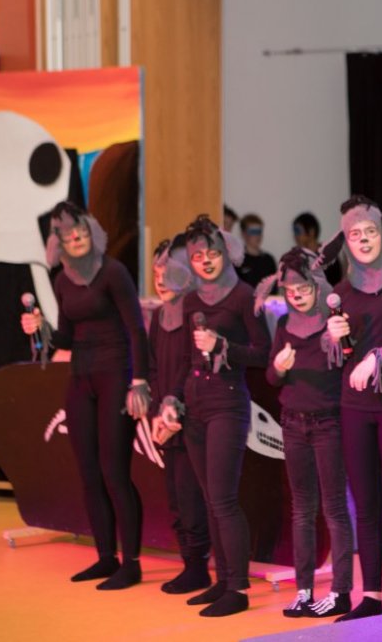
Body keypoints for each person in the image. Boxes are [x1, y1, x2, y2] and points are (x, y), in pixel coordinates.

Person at [20, 201, 149, 590]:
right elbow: (66, 338)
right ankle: (106, 557)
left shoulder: (113, 272)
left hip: (116, 376)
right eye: (68, 235)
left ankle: (131, 563)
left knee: (114, 472)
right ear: (58, 242)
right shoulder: (63, 281)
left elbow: (136, 330)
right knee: (89, 473)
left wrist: (139, 382)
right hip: (81, 379)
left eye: (81, 232)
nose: (76, 238)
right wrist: (40, 327)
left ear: (91, 233)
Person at [319, 195, 382, 621]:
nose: (363, 240)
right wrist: (332, 337)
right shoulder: (341, 292)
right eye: (354, 234)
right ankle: (372, 596)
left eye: (369, 232)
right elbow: (337, 355)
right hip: (354, 409)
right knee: (365, 506)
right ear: (345, 241)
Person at [163, 214, 272, 617]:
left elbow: (263, 353)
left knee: (224, 500)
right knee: (210, 500)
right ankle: (223, 580)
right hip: (195, 404)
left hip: (228, 402)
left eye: (211, 253)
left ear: (225, 252)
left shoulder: (244, 296)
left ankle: (238, 589)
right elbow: (187, 359)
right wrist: (172, 398)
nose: (205, 261)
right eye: (197, 256)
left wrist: (223, 346)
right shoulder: (191, 299)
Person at [256, 247, 354, 619]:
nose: (296, 296)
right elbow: (270, 377)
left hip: (328, 422)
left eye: (303, 289)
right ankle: (304, 591)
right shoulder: (284, 324)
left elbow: (347, 362)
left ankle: (341, 592)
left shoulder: (333, 321)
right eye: (290, 290)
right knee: (301, 509)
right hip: (292, 423)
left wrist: (339, 340)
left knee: (334, 509)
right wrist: (280, 368)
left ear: (316, 286)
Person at [147, 234, 212, 595]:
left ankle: (199, 567)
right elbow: (153, 367)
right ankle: (189, 563)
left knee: (191, 498)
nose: (160, 280)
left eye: (167, 272)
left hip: (191, 416)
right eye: (156, 273)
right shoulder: (159, 316)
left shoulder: (194, 312)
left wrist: (175, 409)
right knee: (175, 497)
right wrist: (158, 411)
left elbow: (193, 365)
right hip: (166, 419)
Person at [293, 212, 341, 284]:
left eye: (298, 231)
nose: (295, 236)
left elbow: (335, 283)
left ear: (311, 232)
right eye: (295, 232)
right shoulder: (297, 258)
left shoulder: (329, 255)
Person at [237, 213, 277, 287]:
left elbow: (274, 288)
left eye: (259, 231)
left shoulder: (269, 260)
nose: (257, 236)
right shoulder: (237, 260)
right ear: (243, 234)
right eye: (253, 232)